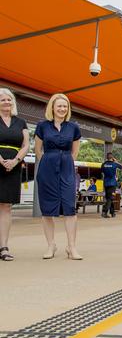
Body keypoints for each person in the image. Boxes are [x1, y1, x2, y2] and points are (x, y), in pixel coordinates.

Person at [35, 93, 83, 260]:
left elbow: (75, 151)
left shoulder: (74, 128)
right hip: (47, 168)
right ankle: (51, 245)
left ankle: (71, 247)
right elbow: (38, 150)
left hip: (67, 168)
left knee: (69, 207)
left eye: (65, 106)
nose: (62, 109)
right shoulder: (42, 126)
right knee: (47, 208)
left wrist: (65, 163)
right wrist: (49, 162)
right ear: (52, 108)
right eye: (59, 106)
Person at [0, 88, 29, 261]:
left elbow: (25, 145)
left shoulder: (21, 122)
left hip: (13, 165)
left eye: (9, 100)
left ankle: (3, 247)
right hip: (1, 161)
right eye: (3, 100)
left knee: (6, 206)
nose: (7, 103)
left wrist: (15, 161)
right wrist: (1, 159)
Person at [100, 152, 122, 218]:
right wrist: (116, 161)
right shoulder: (114, 164)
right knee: (110, 198)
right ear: (112, 158)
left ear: (106, 157)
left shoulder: (103, 164)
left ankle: (112, 213)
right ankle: (104, 212)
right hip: (112, 184)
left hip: (106, 183)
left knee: (109, 198)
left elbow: (101, 172)